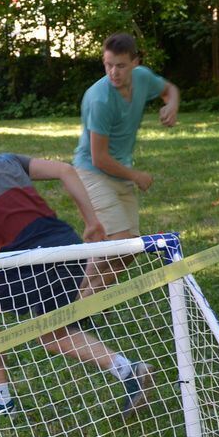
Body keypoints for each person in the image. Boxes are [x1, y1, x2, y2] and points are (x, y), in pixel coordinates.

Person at [0, 111, 154, 425]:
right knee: (53, 333)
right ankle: (128, 370)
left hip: (31, 252)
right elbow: (65, 170)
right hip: (66, 243)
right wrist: (92, 221)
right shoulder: (9, 160)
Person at [73, 32, 180, 295]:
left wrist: (172, 105)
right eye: (108, 65)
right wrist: (136, 175)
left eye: (120, 65)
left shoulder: (142, 77)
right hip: (91, 172)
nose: (113, 72)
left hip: (118, 172)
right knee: (121, 243)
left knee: (130, 249)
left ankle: (81, 304)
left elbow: (170, 90)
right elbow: (99, 158)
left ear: (135, 62)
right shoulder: (99, 99)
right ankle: (71, 305)